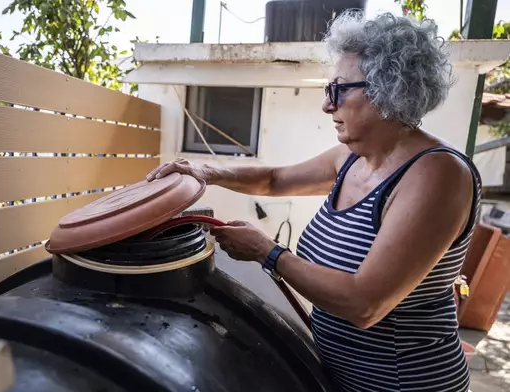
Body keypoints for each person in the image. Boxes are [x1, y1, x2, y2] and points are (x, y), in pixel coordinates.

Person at [146, 10, 480, 392]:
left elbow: (364, 304)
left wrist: (268, 253)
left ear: (386, 89)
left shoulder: (438, 176)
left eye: (338, 90)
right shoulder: (352, 158)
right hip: (339, 374)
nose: (327, 105)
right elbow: (274, 180)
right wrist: (207, 171)